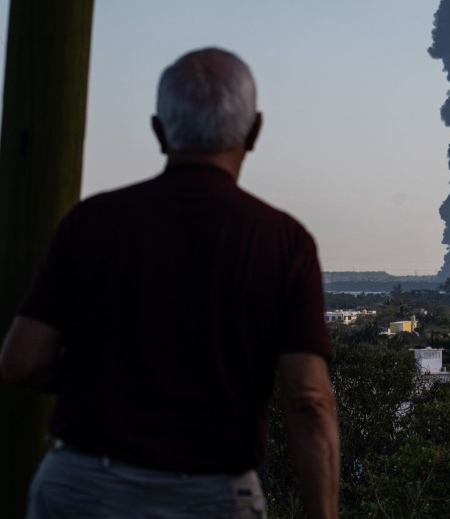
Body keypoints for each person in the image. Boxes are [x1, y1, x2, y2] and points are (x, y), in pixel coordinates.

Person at [0, 47, 339, 518]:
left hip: (80, 489)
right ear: (255, 130)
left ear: (159, 131)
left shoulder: (90, 222)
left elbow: (22, 360)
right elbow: (308, 400)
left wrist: (101, 383)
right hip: (210, 497)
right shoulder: (283, 242)